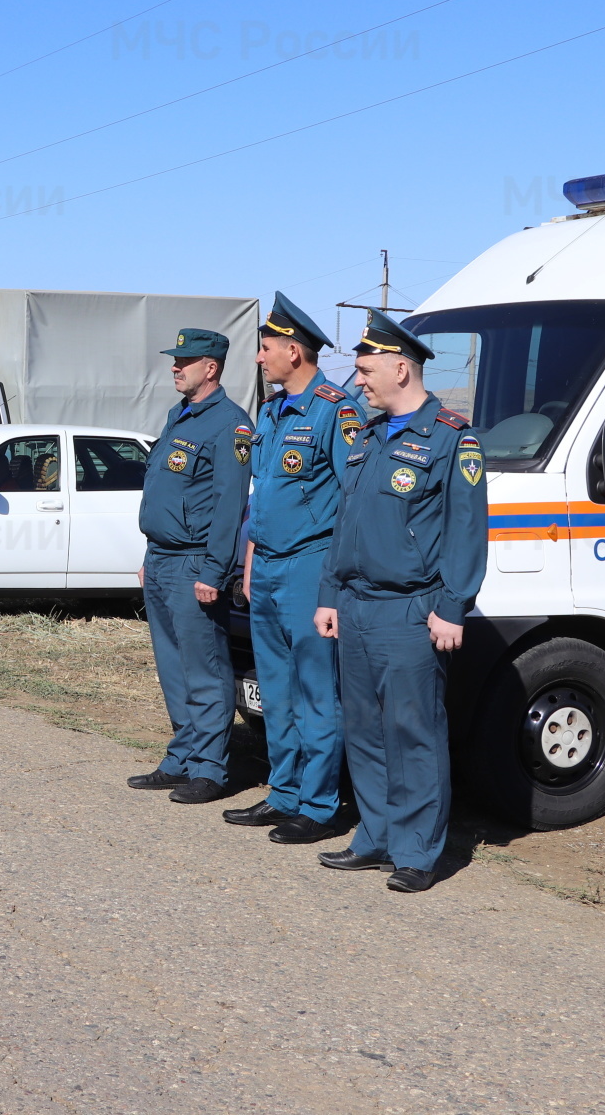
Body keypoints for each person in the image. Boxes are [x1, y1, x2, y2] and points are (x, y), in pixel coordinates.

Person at [313, 309, 487, 894]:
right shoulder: (366, 436)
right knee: (363, 729)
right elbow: (345, 524)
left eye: (365, 370)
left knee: (412, 732)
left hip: (412, 610)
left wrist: (453, 605)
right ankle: (377, 836)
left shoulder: (451, 438)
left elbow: (466, 530)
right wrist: (330, 594)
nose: (357, 381)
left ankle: (417, 851)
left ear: (401, 368)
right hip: (357, 605)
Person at [223, 293, 361, 844]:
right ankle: (283, 794)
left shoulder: (334, 410)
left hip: (310, 567)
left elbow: (352, 500)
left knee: (316, 693)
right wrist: (251, 562)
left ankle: (320, 804)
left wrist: (334, 578)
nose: (259, 358)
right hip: (269, 567)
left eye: (265, 348)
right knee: (275, 689)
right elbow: (264, 496)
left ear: (294, 351)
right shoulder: (272, 412)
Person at [132, 327, 253, 805]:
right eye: (175, 360)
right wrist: (149, 556)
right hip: (160, 558)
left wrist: (213, 571)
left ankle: (210, 767)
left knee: (205, 667)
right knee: (173, 667)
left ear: (211, 368)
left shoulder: (230, 425)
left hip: (194, 563)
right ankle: (181, 756)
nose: (175, 367)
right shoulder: (178, 416)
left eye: (185, 361)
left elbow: (229, 505)